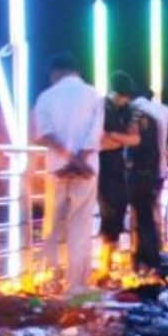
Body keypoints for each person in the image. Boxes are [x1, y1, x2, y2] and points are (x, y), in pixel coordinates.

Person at [31, 53, 104, 295]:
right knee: (80, 226)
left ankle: (50, 281)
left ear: (55, 73)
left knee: (51, 226)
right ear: (76, 71)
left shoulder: (46, 97)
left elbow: (43, 134)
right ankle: (77, 284)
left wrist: (68, 158)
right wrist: (80, 159)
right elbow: (95, 132)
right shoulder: (93, 94)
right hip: (87, 169)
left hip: (57, 169)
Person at [123, 85, 168, 274]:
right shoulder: (162, 110)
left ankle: (143, 259)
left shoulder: (135, 110)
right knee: (152, 212)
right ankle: (155, 253)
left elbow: (131, 143)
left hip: (139, 171)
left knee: (139, 216)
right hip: (159, 171)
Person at [96, 73, 141, 272]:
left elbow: (135, 139)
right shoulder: (99, 108)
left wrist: (113, 136)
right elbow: (99, 142)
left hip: (116, 164)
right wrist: (120, 139)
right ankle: (104, 264)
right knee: (108, 211)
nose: (125, 100)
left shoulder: (126, 110)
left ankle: (107, 262)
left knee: (119, 208)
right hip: (101, 164)